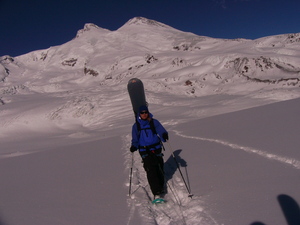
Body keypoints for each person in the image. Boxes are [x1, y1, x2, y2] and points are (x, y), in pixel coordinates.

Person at [130, 105, 169, 199]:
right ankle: (156, 192)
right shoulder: (136, 126)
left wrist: (164, 135)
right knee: (150, 170)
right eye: (142, 113)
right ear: (139, 114)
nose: (144, 114)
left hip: (156, 148)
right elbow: (135, 138)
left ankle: (161, 186)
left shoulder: (154, 122)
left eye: (146, 112)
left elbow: (161, 130)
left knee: (159, 167)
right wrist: (134, 146)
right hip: (144, 149)